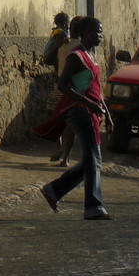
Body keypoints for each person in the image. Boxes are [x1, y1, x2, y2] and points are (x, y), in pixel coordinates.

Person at [33, 17, 114, 220]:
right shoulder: (76, 56)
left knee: (90, 160)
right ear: (85, 33)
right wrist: (89, 104)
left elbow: (95, 88)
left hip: (92, 112)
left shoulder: (92, 54)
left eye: (101, 31)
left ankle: (54, 190)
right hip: (80, 112)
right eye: (96, 32)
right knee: (94, 160)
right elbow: (63, 86)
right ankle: (93, 207)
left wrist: (107, 113)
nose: (100, 36)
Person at [48, 16, 82, 167]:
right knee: (63, 119)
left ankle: (63, 151)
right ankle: (63, 152)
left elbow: (48, 59)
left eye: (73, 25)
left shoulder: (68, 43)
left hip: (66, 85)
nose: (70, 27)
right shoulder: (61, 39)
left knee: (61, 118)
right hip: (70, 86)